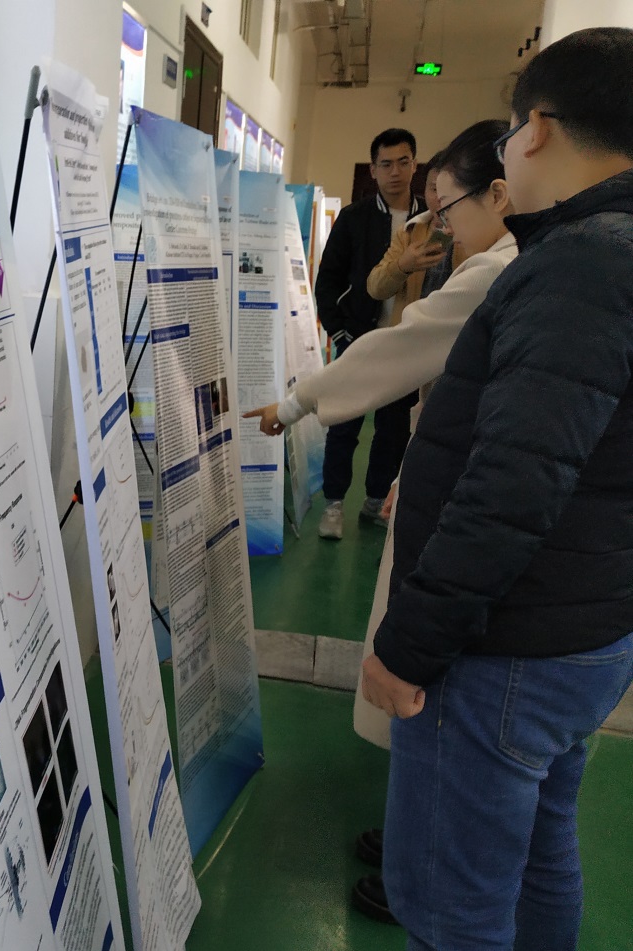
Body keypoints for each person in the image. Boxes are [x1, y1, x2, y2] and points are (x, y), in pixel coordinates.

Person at [361, 28, 633, 951]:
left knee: (453, 904)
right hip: (580, 626)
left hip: (504, 645)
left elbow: (516, 483)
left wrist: (409, 644)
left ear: (540, 128)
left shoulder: (582, 265)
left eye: (512, 132)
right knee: (539, 852)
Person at [244, 118, 518, 926]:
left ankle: (424, 873)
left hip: (477, 522)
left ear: (501, 192)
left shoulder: (499, 272)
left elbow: (401, 350)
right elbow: (357, 309)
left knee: (441, 689)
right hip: (453, 492)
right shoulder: (483, 256)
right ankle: (414, 842)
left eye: (448, 205)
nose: (440, 225)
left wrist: (298, 399)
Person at [312, 128, 424, 540]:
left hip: (407, 344)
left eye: (403, 162)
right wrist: (339, 331)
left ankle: (376, 501)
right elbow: (327, 281)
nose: (395, 172)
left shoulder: (431, 219)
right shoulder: (354, 218)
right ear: (373, 170)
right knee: (344, 423)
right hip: (358, 338)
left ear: (414, 164)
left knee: (393, 430)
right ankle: (334, 504)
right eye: (385, 164)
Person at [366, 158, 462, 329]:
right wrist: (402, 266)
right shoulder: (409, 232)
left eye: (448, 190)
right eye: (434, 189)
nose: (440, 198)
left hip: (454, 336)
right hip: (409, 335)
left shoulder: (474, 233)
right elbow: (375, 288)